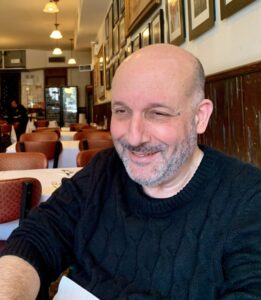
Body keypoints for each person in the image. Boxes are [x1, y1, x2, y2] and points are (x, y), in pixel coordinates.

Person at [0, 44, 261, 300]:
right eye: (121, 111)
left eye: (157, 113)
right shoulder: (105, 169)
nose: (134, 137)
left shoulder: (248, 198)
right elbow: (36, 237)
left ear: (199, 117)